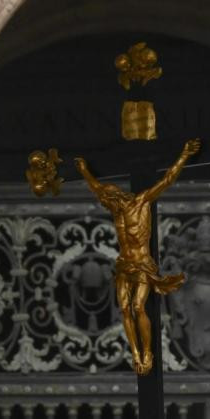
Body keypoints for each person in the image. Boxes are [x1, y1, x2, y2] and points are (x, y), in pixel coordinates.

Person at [74, 139, 199, 374]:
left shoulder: (141, 202)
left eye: (109, 199)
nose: (106, 203)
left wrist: (183, 155)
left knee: (138, 306)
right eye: (106, 202)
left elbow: (167, 179)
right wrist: (83, 171)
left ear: (117, 195)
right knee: (124, 308)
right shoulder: (116, 209)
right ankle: (135, 353)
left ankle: (148, 352)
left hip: (142, 263)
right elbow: (96, 188)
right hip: (124, 265)